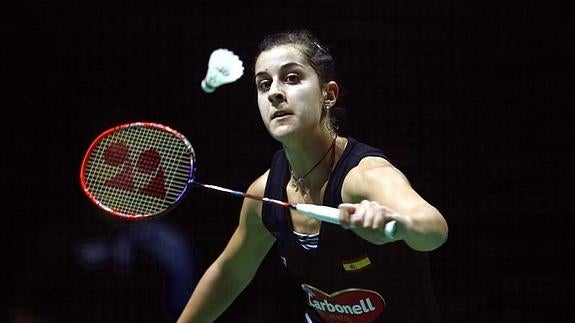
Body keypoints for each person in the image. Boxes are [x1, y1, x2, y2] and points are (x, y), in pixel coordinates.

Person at [177, 29, 448, 323]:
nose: (275, 93)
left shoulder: (365, 177)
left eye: (291, 78)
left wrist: (399, 223)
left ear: (328, 94)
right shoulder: (265, 193)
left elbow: (433, 230)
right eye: (263, 84)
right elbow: (230, 273)